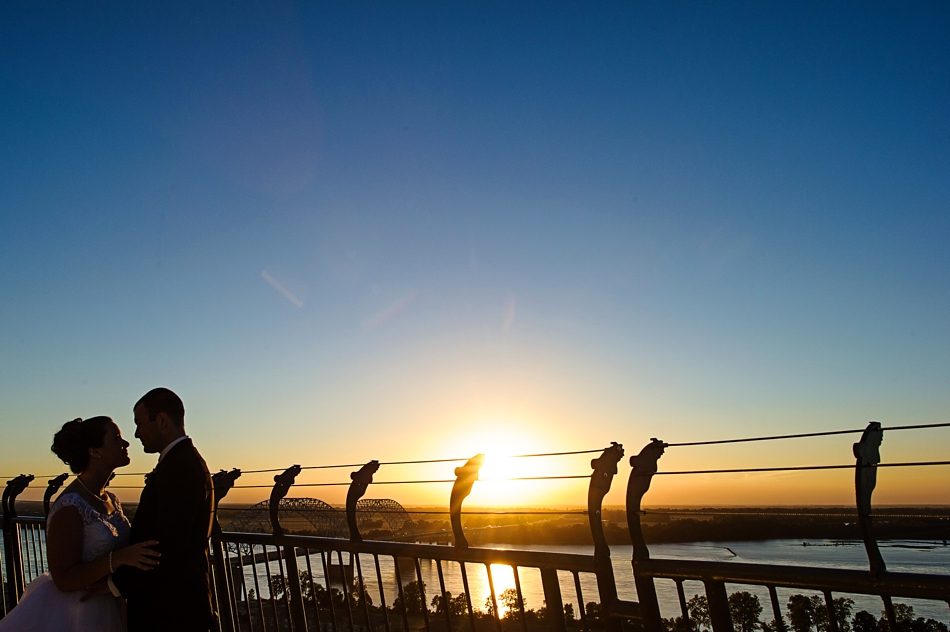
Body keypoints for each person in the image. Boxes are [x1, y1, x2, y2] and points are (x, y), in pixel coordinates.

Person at [0, 417, 160, 632]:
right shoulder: (71, 505)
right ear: (94, 451)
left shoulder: (111, 499)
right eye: (116, 438)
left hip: (111, 603)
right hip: (80, 612)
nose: (126, 443)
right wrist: (120, 558)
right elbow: (63, 579)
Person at [103, 388, 215, 632]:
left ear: (162, 420)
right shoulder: (183, 461)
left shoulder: (180, 467)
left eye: (139, 423)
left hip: (171, 614)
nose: (136, 433)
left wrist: (111, 584)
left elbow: (165, 548)